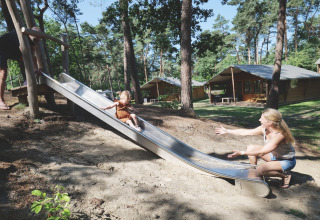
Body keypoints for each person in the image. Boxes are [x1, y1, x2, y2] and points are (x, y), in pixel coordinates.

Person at [215, 108, 296, 188]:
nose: (259, 120)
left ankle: (285, 176)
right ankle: (254, 172)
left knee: (261, 169)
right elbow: (246, 132)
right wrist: (227, 131)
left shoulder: (280, 135)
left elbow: (262, 152)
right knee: (251, 148)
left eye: (262, 118)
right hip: (274, 156)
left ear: (270, 122)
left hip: (286, 161)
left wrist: (242, 153)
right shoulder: (264, 129)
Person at [0, 27, 42, 110]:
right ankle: (0, 99)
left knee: (29, 60)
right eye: (35, 39)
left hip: (11, 51)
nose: (37, 41)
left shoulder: (33, 39)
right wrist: (32, 67)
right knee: (3, 73)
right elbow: (25, 54)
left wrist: (36, 69)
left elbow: (33, 55)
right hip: (1, 49)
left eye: (38, 39)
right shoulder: (20, 34)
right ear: (30, 34)